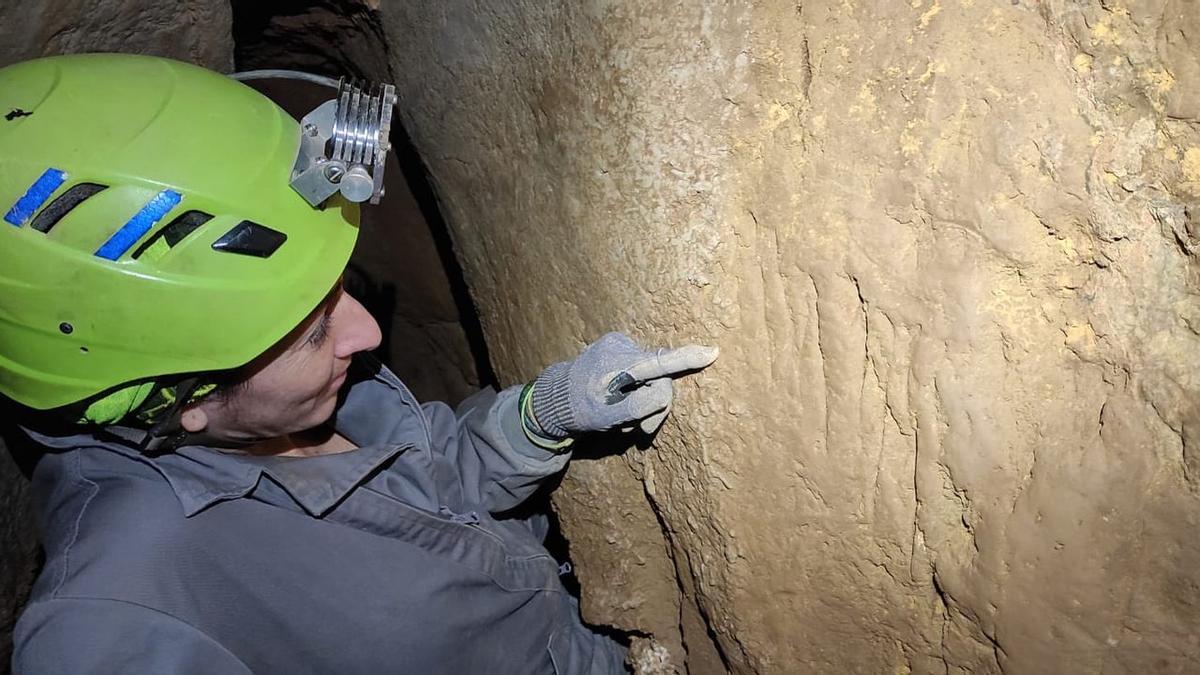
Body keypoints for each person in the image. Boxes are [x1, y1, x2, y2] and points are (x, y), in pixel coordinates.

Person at [0, 54, 718, 673]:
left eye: (338, 288)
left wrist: (543, 413)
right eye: (313, 331)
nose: (367, 331)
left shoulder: (281, 404)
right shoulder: (117, 620)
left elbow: (426, 477)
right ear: (183, 397)